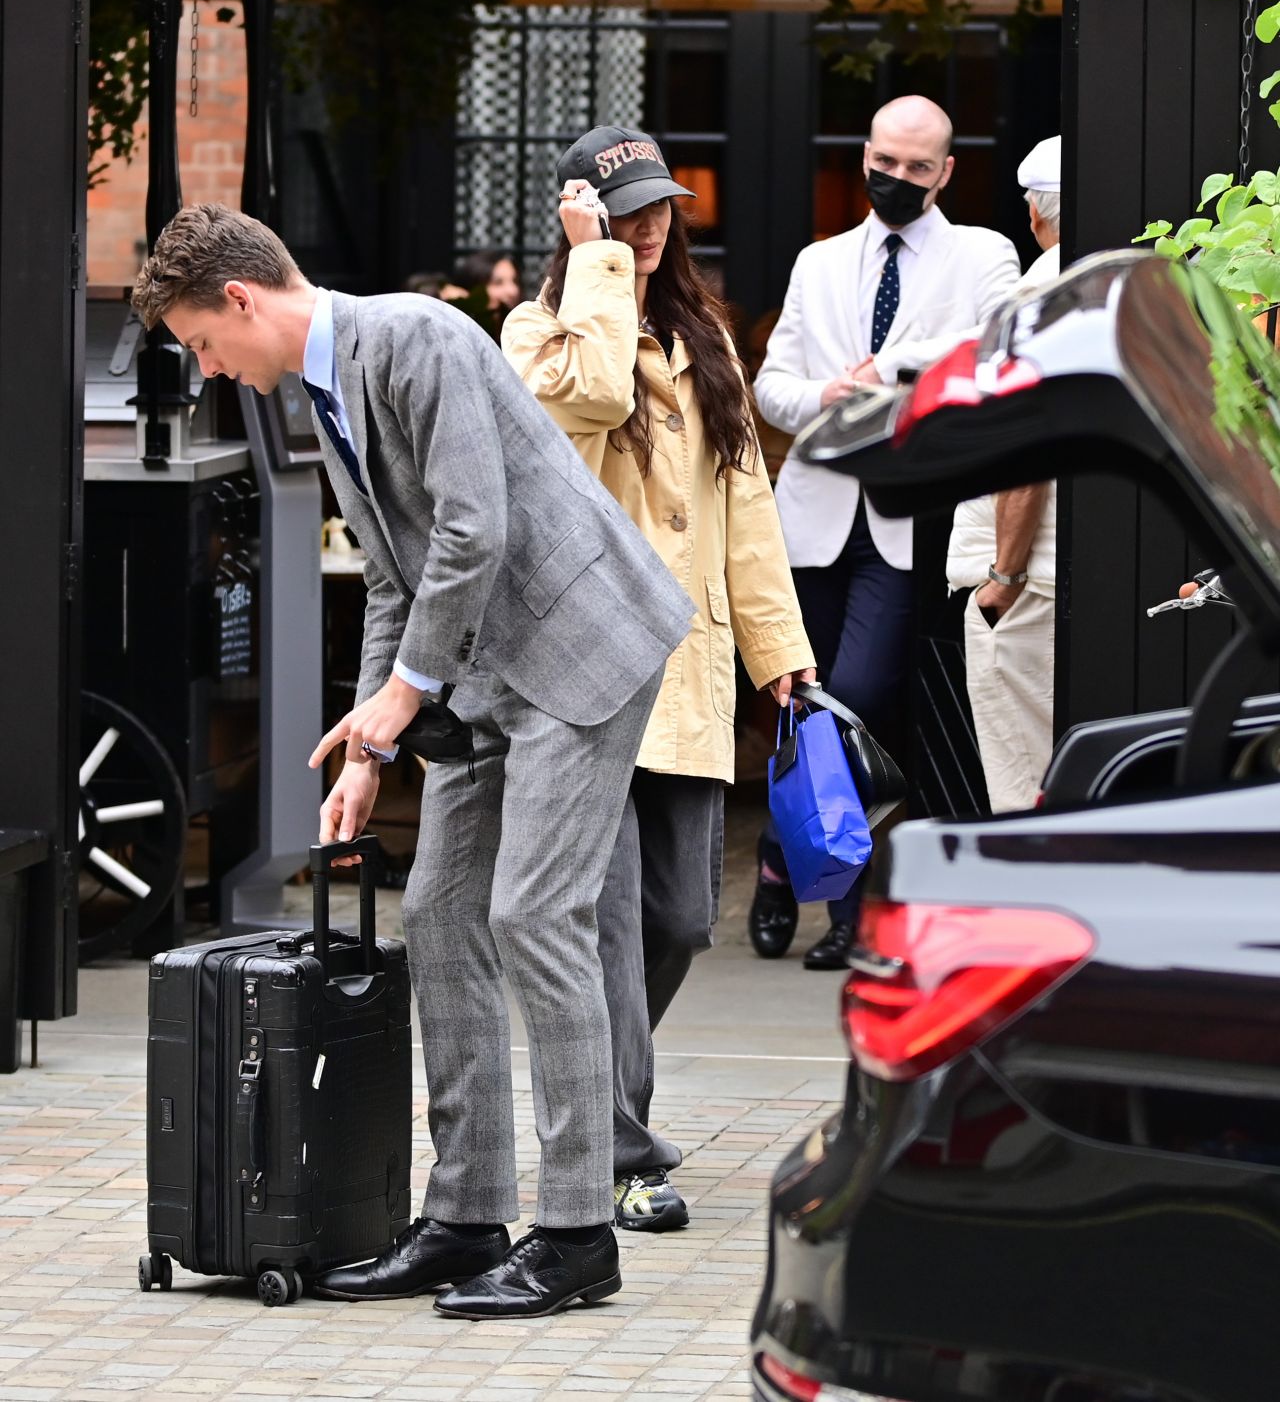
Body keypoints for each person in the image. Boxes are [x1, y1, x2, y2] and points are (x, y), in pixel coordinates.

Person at [132, 204, 694, 1320]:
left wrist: (398, 701)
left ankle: (579, 1229)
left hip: (581, 650)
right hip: (485, 678)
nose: (212, 370)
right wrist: (365, 745)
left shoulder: (417, 336)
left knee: (536, 916)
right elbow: (396, 578)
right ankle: (466, 1214)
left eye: (202, 344)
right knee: (437, 915)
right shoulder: (325, 387)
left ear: (240, 300)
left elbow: (473, 531)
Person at [502, 125, 814, 1232]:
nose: (645, 228)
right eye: (622, 210)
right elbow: (579, 407)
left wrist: (780, 657)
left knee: (681, 917)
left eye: (656, 210)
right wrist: (593, 266)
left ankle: (607, 1107)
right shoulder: (537, 330)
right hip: (581, 675)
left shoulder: (705, 341)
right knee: (600, 928)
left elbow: (746, 512)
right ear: (579, 216)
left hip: (682, 669)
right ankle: (620, 1150)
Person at [750, 96, 1022, 969]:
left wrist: (893, 368)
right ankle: (833, 896)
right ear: (863, 155)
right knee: (802, 703)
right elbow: (772, 387)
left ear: (945, 172)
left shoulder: (985, 253)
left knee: (856, 698)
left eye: (915, 167)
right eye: (884, 161)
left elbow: (992, 341)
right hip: (814, 515)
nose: (895, 179)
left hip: (906, 524)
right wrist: (825, 396)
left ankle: (782, 860)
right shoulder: (818, 261)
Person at [946, 134, 1062, 812]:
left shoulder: (1038, 293)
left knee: (1026, 793)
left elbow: (1024, 454)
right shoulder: (1103, 281)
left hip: (1023, 588)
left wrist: (1004, 578)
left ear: (1035, 213)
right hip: (1056, 582)